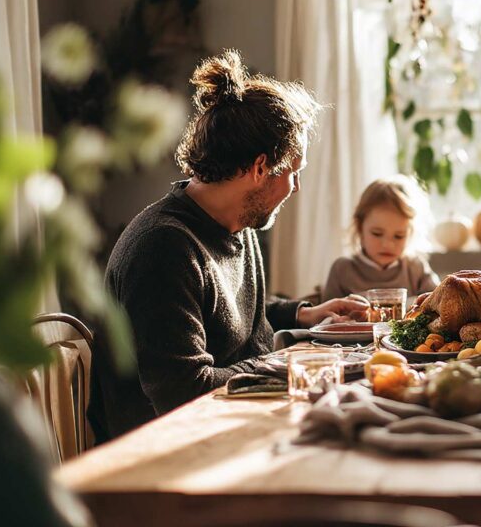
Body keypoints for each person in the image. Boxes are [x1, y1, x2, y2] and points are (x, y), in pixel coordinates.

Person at [89, 50, 368, 441]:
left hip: (236, 424)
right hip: (170, 454)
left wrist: (304, 314)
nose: (296, 188)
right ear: (259, 169)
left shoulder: (237, 223)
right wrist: (288, 363)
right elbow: (184, 391)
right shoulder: (163, 248)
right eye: (293, 173)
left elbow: (225, 313)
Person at [322, 176, 439, 302]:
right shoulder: (342, 269)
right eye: (377, 234)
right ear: (360, 227)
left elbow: (438, 302)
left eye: (399, 236)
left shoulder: (415, 268)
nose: (388, 244)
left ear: (410, 234)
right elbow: (326, 316)